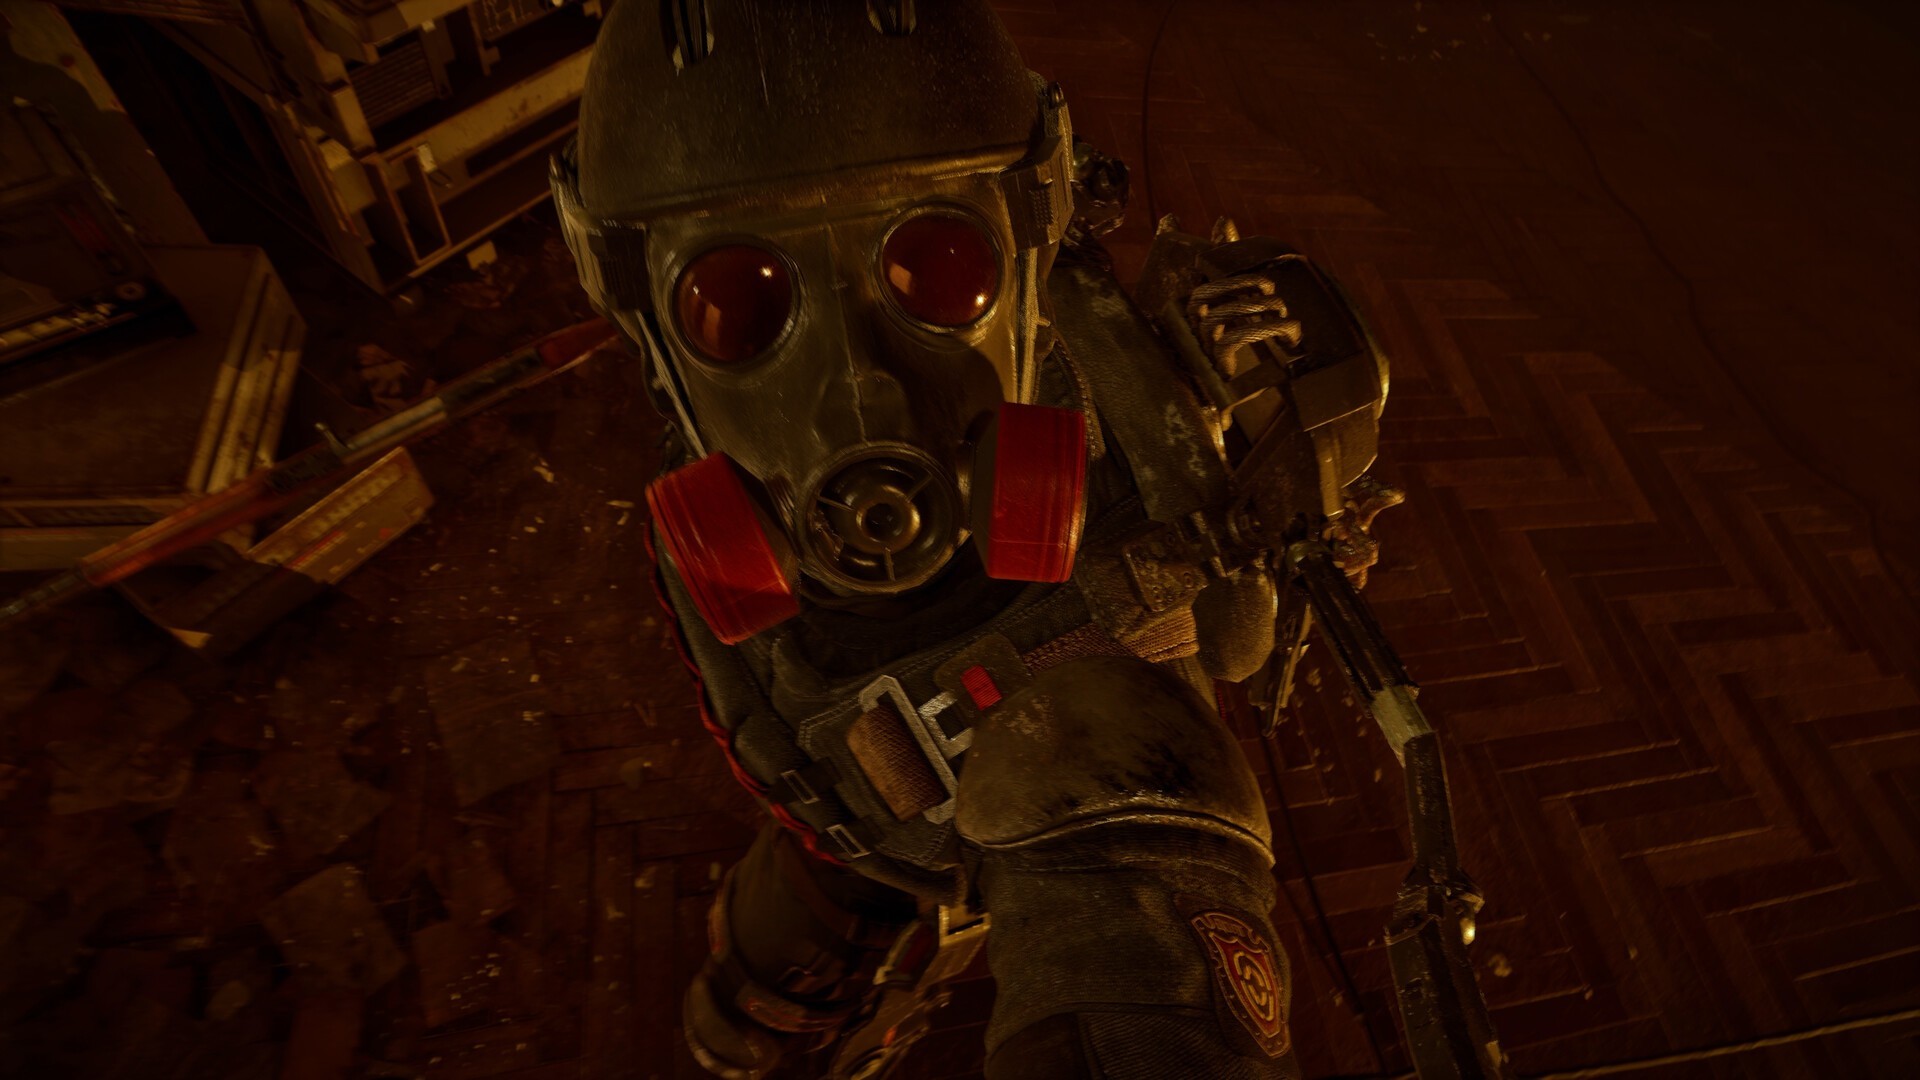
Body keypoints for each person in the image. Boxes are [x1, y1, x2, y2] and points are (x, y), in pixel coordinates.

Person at [550, 3, 1395, 1076]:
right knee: (819, 890)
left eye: (938, 272)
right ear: (641, 315)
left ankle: (761, 1012)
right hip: (853, 799)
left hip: (905, 787)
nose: (860, 388)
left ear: (1032, 244)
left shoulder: (1117, 389)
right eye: (737, 307)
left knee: (819, 895)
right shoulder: (1092, 384)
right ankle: (764, 1008)